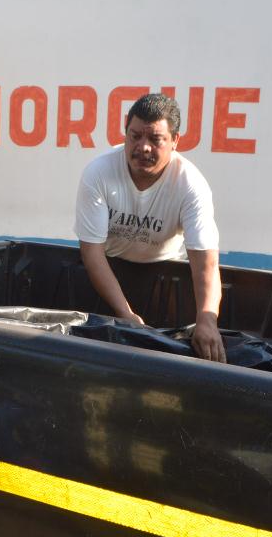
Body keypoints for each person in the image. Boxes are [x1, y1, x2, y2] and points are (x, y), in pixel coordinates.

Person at [74, 93, 226, 363]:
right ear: (125, 131)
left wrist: (207, 320)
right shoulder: (98, 172)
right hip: (109, 274)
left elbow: (206, 263)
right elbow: (92, 254)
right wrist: (126, 315)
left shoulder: (191, 184)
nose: (143, 147)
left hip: (164, 279)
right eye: (135, 136)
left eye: (155, 139)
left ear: (175, 141)